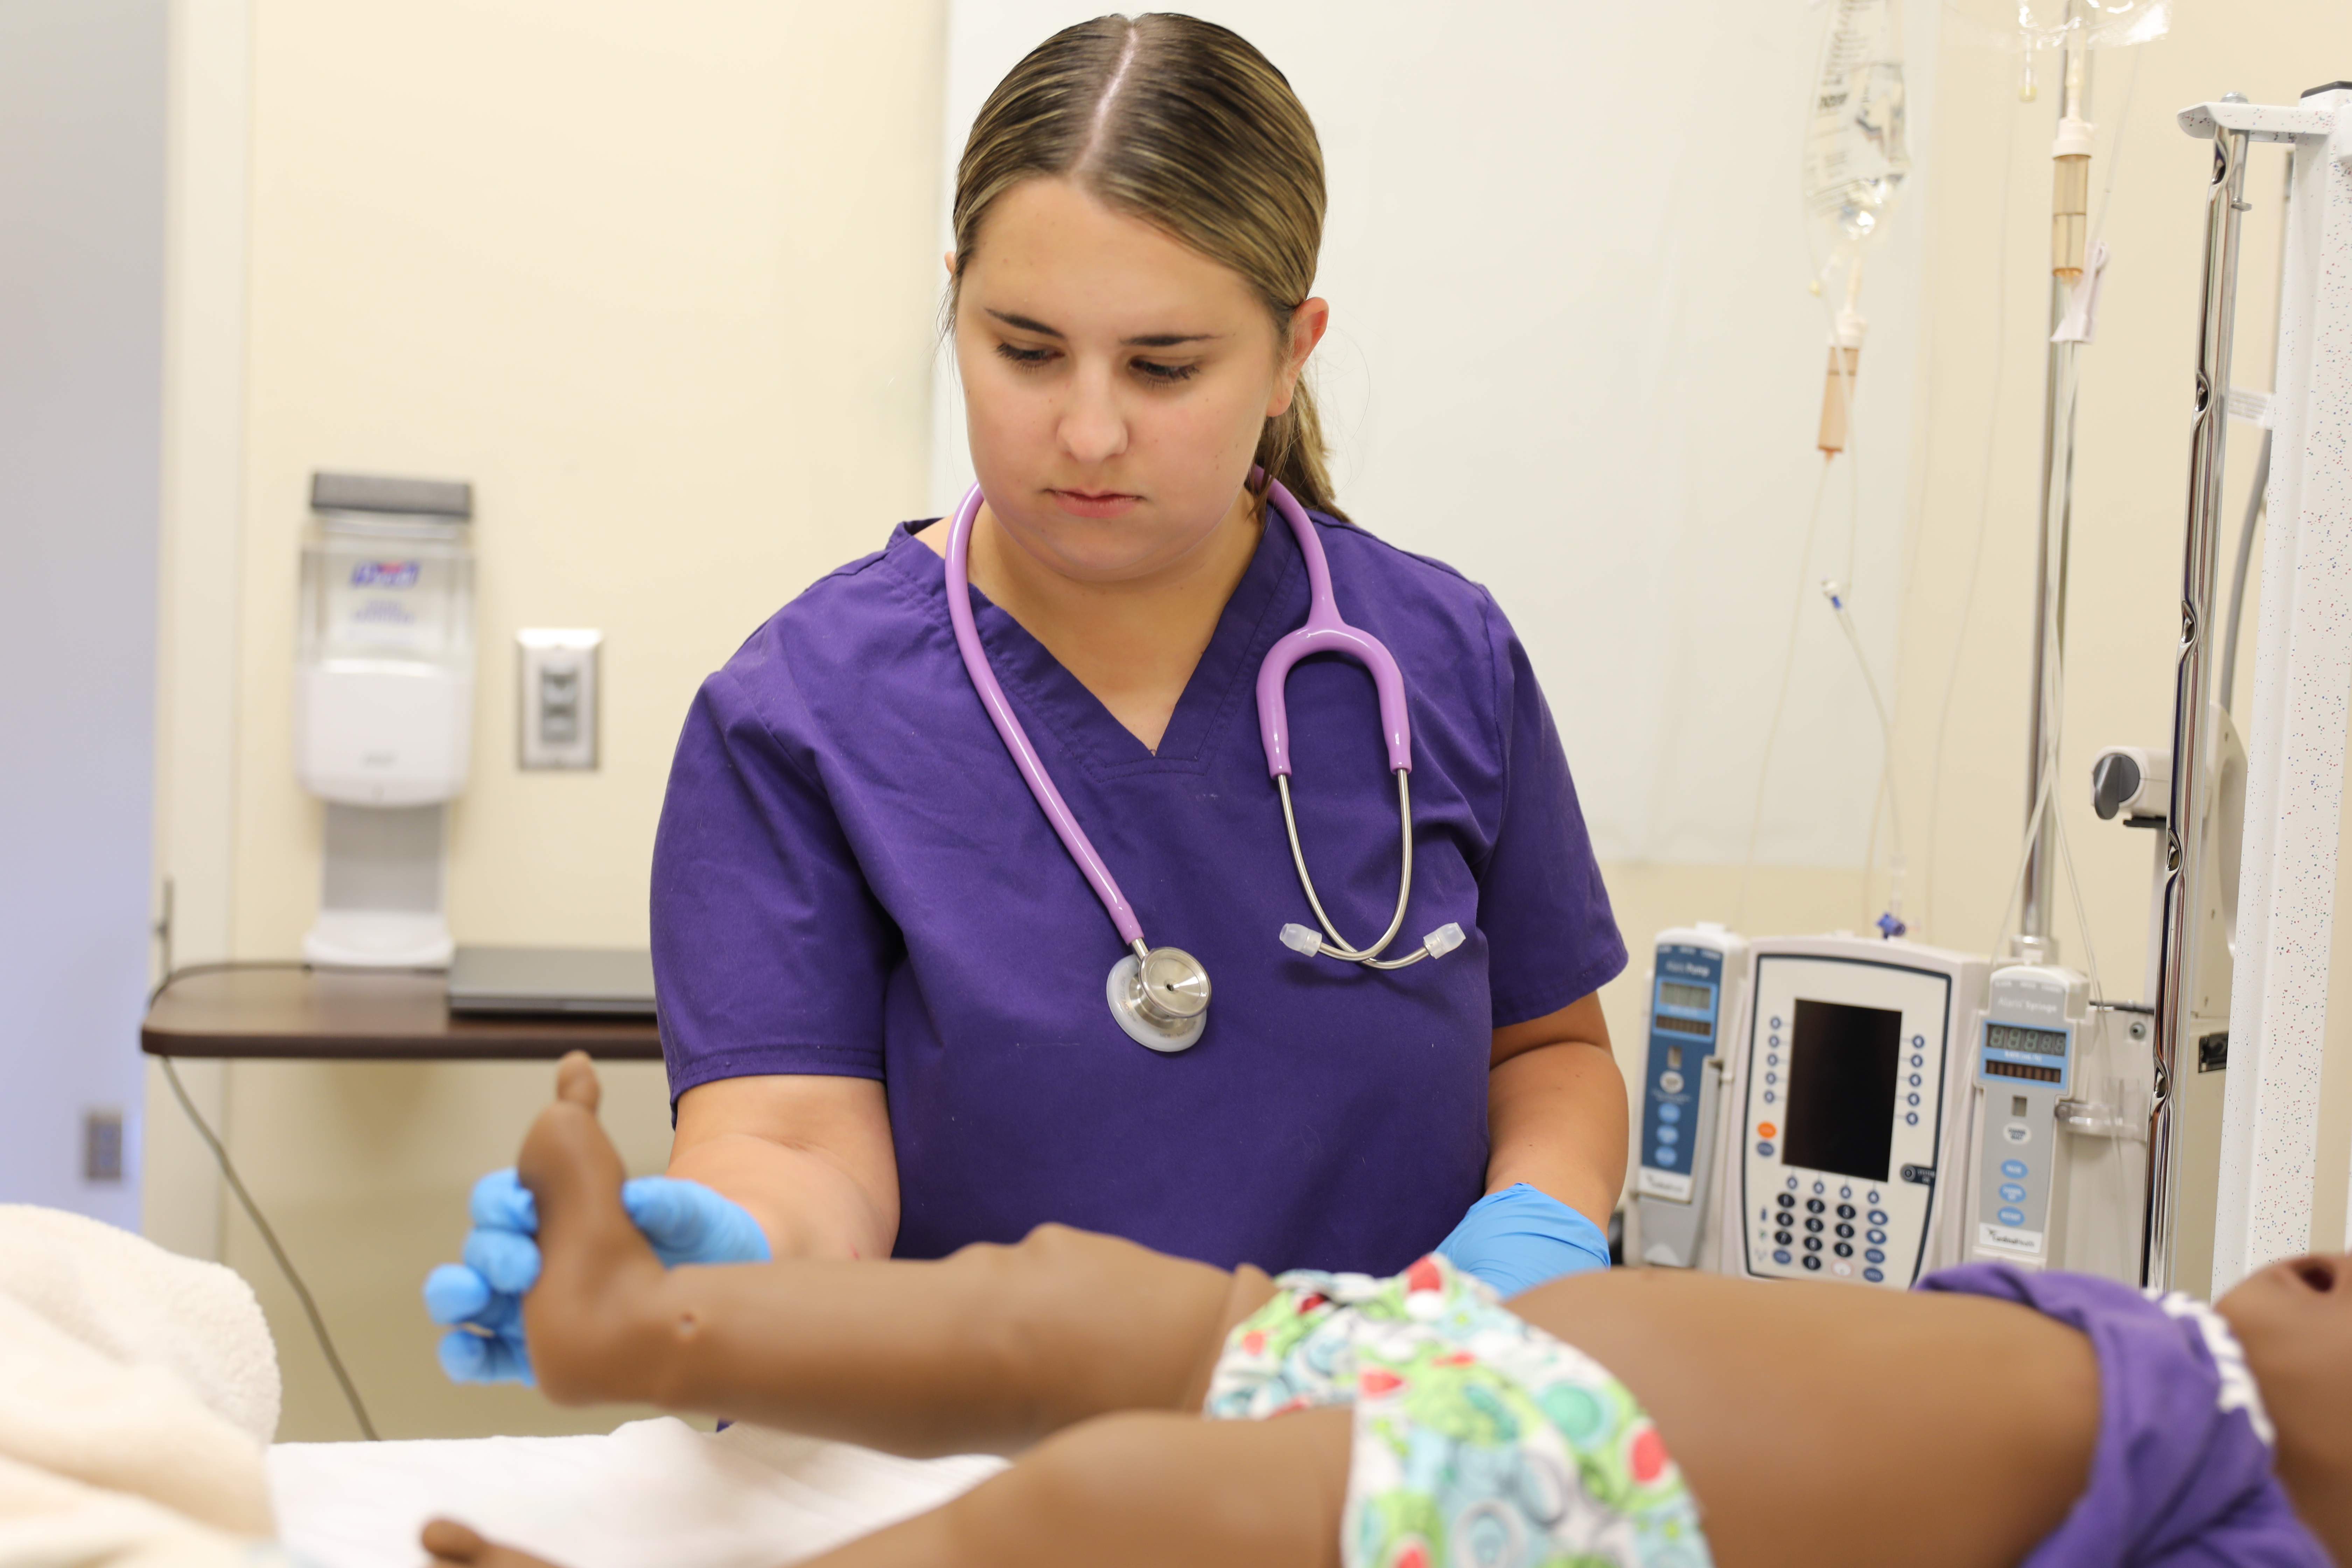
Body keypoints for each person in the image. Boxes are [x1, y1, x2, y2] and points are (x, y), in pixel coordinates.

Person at [427, 12, 1630, 1382]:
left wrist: (1535, 1224)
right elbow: (799, 1149)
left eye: (1165, 366)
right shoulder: (801, 717)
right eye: (1026, 349)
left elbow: (1549, 1050)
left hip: (1393, 1467)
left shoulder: (1440, 658)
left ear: (1295, 350)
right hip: (973, 1486)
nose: (1089, 431)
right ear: (955, 303)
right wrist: (716, 1262)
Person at [424, 1055, 2343, 1568]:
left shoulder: (2230, 1507)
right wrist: (751, 1234)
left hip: (1578, 1502)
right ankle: (644, 1322)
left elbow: (1555, 1046)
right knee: (1058, 1308)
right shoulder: (2166, 1355)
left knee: (1100, 1519)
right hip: (1459, 1349)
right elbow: (800, 1128)